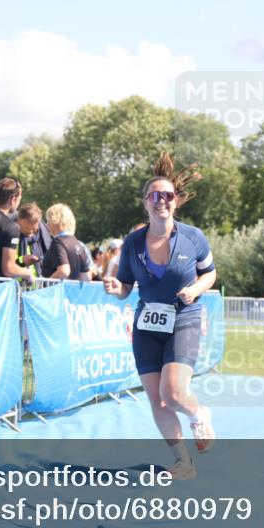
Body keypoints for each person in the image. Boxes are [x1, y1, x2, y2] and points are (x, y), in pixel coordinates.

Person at [103, 153, 216, 480]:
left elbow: (210, 274)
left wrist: (195, 290)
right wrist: (115, 287)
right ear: (145, 203)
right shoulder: (133, 242)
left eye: (167, 196)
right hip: (147, 324)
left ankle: (198, 413)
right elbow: (126, 286)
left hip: (184, 319)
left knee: (174, 393)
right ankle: (183, 462)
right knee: (157, 399)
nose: (161, 201)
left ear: (175, 201)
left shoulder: (193, 237)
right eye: (154, 196)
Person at [42, 203, 92, 281]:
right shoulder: (77, 243)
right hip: (71, 291)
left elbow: (64, 271)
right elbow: (86, 276)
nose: (46, 224)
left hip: (57, 291)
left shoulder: (58, 242)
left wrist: (47, 284)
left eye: (48, 220)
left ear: (54, 221)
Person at [15, 202, 44, 281]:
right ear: (18, 220)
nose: (30, 232)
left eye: (34, 229)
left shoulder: (41, 238)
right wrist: (22, 260)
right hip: (17, 286)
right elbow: (7, 264)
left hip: (36, 288)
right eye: (26, 228)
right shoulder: (11, 236)